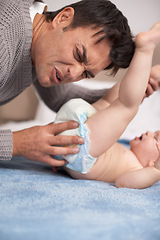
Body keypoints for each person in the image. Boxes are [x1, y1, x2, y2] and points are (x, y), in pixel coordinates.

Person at [0, 0, 158, 166]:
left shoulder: (42, 50)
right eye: (78, 54)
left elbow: (61, 97)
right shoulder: (4, 39)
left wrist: (128, 91)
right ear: (63, 18)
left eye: (85, 73)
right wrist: (17, 143)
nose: (73, 74)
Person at [54, 23, 160, 189]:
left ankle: (144, 51)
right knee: (113, 103)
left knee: (125, 106)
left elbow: (122, 183)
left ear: (153, 162)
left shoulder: (137, 169)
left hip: (77, 144)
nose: (148, 132)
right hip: (79, 142)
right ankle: (147, 76)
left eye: (155, 138)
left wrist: (156, 171)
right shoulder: (124, 153)